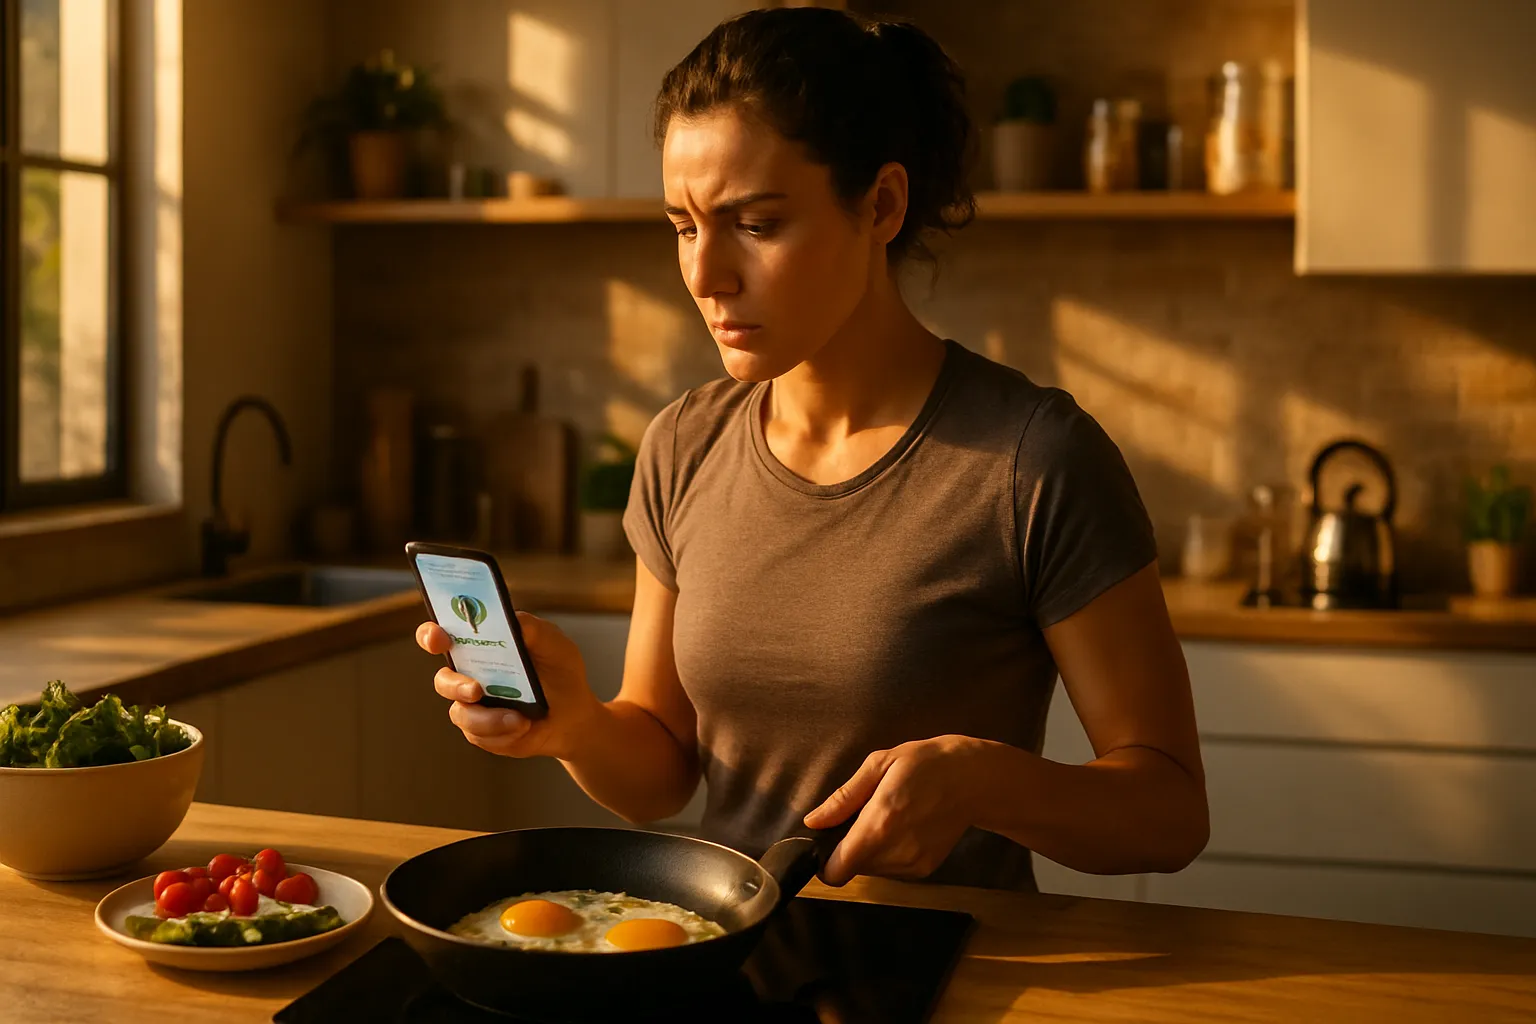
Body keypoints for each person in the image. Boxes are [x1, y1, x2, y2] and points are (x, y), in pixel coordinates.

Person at [416, 7, 1208, 892]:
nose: (706, 275)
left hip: (953, 973)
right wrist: (577, 728)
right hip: (727, 958)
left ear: (882, 205)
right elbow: (664, 768)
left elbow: (1169, 812)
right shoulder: (684, 445)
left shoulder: (1034, 460)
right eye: (684, 225)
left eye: (754, 224)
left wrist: (987, 782)